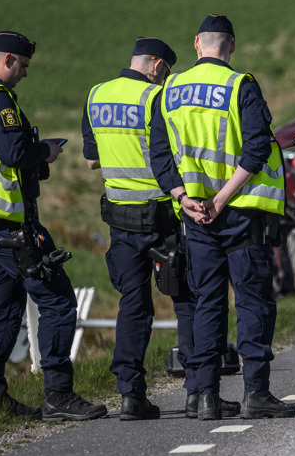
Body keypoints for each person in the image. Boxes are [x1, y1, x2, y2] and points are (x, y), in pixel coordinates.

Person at [0, 31, 106, 421]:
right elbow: (13, 151)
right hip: (10, 222)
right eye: (22, 66)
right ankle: (58, 394)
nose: (24, 74)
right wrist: (46, 152)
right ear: (7, 60)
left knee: (2, 304)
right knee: (57, 300)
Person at [83, 38, 241, 420]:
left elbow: (92, 161)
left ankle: (130, 395)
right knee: (187, 300)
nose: (164, 78)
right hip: (163, 218)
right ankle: (196, 392)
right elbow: (169, 153)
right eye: (165, 71)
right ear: (155, 65)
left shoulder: (97, 95)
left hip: (120, 220)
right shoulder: (156, 99)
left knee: (133, 307)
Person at [163, 14, 295, 420]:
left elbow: (159, 153)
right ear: (232, 47)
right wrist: (221, 199)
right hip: (240, 212)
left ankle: (205, 396)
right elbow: (256, 151)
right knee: (253, 301)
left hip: (194, 214)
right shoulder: (241, 86)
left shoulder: (170, 89)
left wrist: (184, 197)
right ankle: (256, 394)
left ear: (196, 44)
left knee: (207, 302)